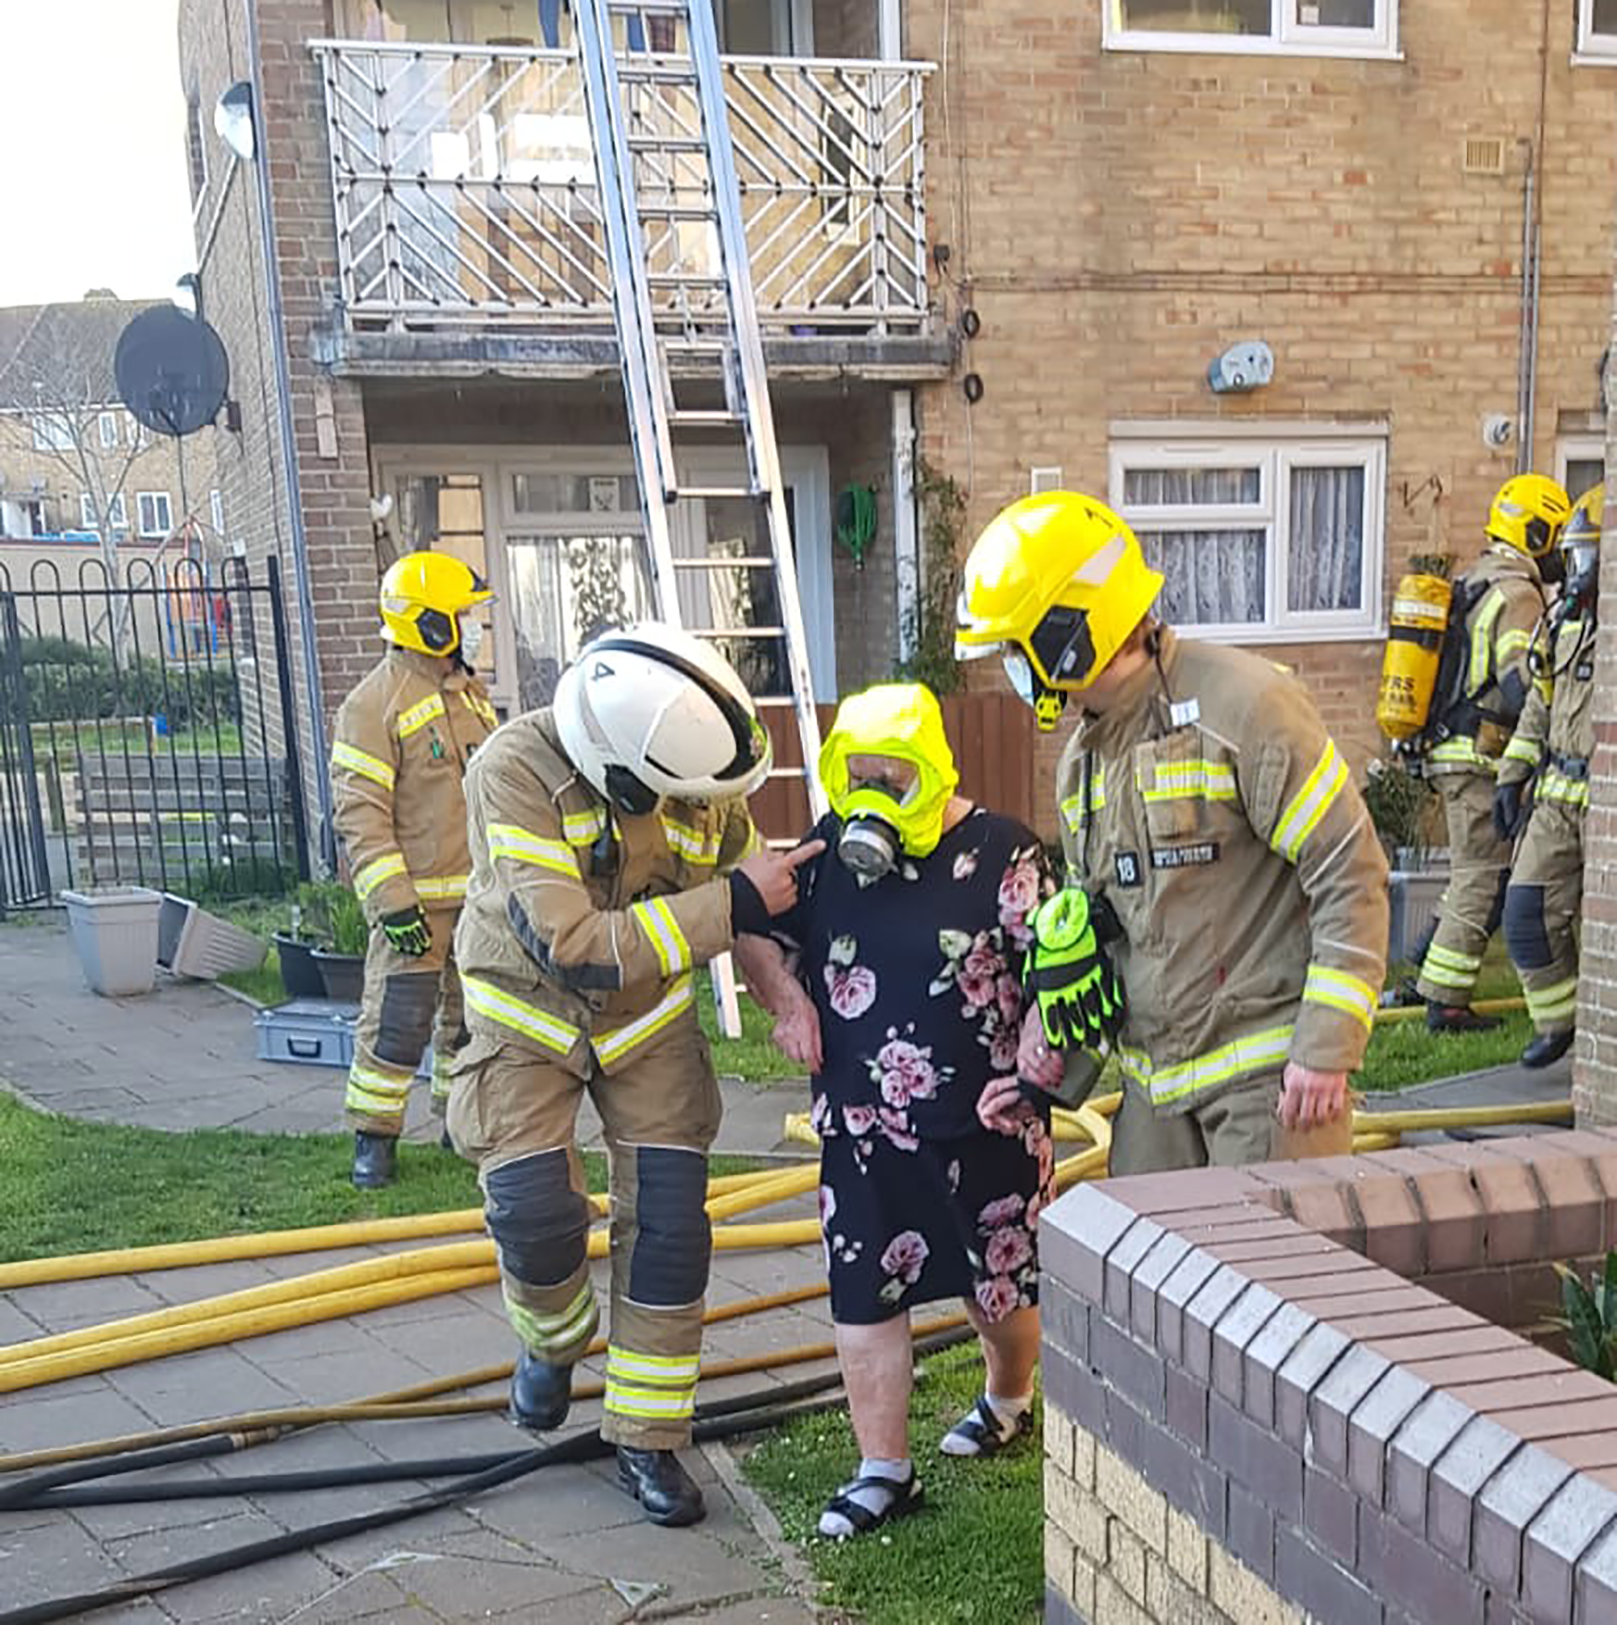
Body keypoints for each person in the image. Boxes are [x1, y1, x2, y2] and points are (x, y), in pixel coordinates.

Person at [446, 623, 820, 1527]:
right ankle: (553, 1341)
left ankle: (648, 1438)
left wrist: (786, 1002)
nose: (702, 809)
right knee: (535, 1213)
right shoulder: (513, 768)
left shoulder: (693, 777)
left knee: (669, 1229)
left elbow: (750, 903)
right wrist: (731, 902)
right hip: (527, 1013)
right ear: (622, 771)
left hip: (648, 1022)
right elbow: (572, 945)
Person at [954, 491, 1389, 1175]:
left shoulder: (1245, 706)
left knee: (1266, 1278)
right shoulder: (1082, 763)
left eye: (1015, 645)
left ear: (1069, 633)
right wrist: (1049, 1069)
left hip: (1269, 1090)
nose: (1011, 665)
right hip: (1153, 1100)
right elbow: (1110, 938)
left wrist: (1326, 1046)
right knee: (1144, 1281)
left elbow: (1349, 870)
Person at [734, 683, 1057, 1539]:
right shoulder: (827, 849)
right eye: (858, 775)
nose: (873, 795)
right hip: (861, 1127)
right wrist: (786, 1003)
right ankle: (885, 1468)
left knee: (997, 1286)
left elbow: (1058, 968)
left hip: (984, 1122)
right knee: (863, 1292)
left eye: (894, 778)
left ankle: (1007, 1395)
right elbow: (754, 927)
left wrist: (1037, 1064)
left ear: (933, 770)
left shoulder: (1003, 852)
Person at [330, 551, 498, 1190]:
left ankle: (459, 1123)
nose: (474, 626)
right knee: (398, 1020)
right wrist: (392, 903)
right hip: (417, 908)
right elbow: (361, 814)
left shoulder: (471, 695)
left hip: (480, 901)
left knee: (471, 1022)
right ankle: (374, 1138)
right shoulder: (373, 705)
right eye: (463, 616)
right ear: (428, 623)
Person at [1407, 474, 1571, 1030]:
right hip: (1480, 755)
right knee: (1483, 875)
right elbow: (1521, 682)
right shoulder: (1518, 595)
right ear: (1538, 530)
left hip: (1450, 749)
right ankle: (1445, 1003)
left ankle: (1423, 969)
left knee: (1469, 872)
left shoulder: (1477, 579)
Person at [1498, 485, 1602, 1069]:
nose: (1579, 573)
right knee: (1523, 910)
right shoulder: (1565, 627)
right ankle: (1557, 1023)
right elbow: (1539, 703)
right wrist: (1511, 776)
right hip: (1556, 801)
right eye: (1576, 558)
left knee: (1598, 934)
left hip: (1602, 808)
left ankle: (1595, 1044)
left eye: (1591, 559)